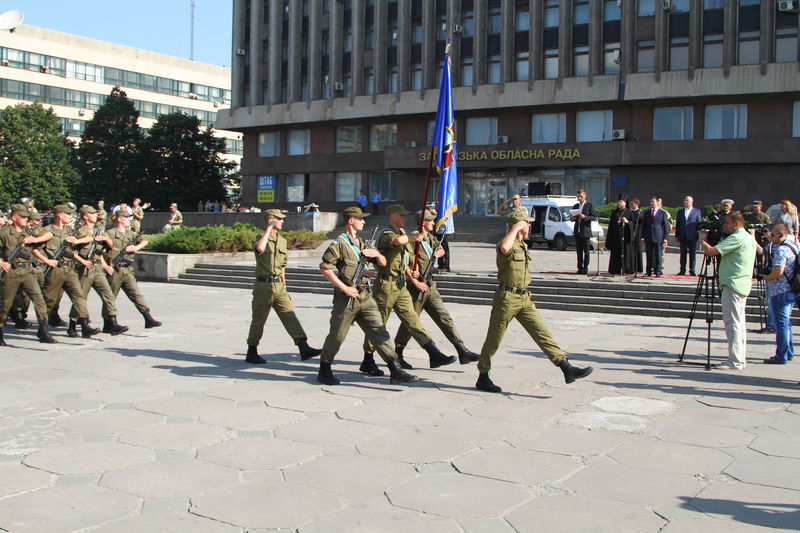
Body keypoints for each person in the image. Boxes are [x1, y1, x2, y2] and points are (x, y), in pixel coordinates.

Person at [475, 206, 594, 392]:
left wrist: (519, 232)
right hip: (507, 299)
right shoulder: (508, 243)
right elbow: (505, 248)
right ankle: (483, 375)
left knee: (542, 333)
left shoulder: (523, 244)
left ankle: (566, 367)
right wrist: (514, 229)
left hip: (524, 298)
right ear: (517, 224)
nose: (529, 226)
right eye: (526, 223)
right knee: (494, 339)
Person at [316, 206, 418, 386]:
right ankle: (324, 369)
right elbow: (325, 269)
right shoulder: (339, 243)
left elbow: (384, 263)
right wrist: (344, 288)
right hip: (347, 297)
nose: (363, 221)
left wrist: (377, 254)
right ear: (351, 221)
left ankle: (395, 370)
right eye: (360, 218)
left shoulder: (363, 243)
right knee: (337, 336)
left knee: (379, 331)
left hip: (365, 295)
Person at [361, 204, 456, 373]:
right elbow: (397, 242)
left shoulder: (403, 233)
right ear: (392, 216)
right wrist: (414, 238)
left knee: (413, 319)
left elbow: (403, 257)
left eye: (405, 215)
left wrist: (411, 270)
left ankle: (433, 352)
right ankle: (368, 358)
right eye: (401, 215)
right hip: (385, 285)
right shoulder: (386, 233)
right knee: (379, 323)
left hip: (400, 284)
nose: (405, 218)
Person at [394, 209, 479, 365]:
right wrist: (415, 281)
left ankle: (462, 350)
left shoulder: (430, 237)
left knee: (444, 317)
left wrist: (439, 253)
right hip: (416, 287)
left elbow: (440, 249)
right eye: (430, 220)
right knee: (410, 323)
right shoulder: (413, 238)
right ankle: (398, 352)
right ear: (422, 222)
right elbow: (405, 260)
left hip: (430, 285)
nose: (433, 222)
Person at [245, 209, 322, 364]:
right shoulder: (260, 238)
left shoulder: (283, 241)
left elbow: (283, 266)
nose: (282, 221)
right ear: (270, 220)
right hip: (263, 286)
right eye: (279, 219)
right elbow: (260, 249)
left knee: (289, 314)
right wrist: (268, 229)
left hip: (279, 286)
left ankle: (303, 347)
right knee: (259, 320)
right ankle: (251, 351)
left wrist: (284, 286)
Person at [699, 211, 757, 370]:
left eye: (727, 223)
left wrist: (703, 240)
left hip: (733, 283)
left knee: (732, 323)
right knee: (738, 323)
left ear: (736, 224)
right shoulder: (747, 236)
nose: (725, 226)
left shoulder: (737, 237)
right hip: (740, 283)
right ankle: (739, 358)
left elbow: (711, 252)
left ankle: (735, 360)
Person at [31, 204, 99, 339]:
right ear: (60, 215)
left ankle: (85, 326)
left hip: (70, 269)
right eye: (67, 214)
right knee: (49, 301)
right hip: (55, 269)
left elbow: (90, 238)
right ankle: (42, 327)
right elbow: (33, 248)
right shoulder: (46, 230)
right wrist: (47, 260)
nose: (70, 217)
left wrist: (76, 240)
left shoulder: (71, 230)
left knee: (79, 296)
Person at [67, 205, 128, 336]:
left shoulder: (99, 230)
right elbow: (71, 251)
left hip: (97, 267)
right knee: (81, 298)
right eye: (92, 213)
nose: (95, 215)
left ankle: (112, 323)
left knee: (108, 294)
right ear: (85, 216)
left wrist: (105, 242)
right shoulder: (79, 231)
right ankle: (74, 325)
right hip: (84, 267)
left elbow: (109, 247)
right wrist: (83, 261)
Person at [0, 204, 55, 345]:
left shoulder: (29, 231)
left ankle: (43, 330)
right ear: (14, 217)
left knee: (39, 299)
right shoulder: (4, 232)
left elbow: (49, 234)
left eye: (26, 217)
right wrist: (1, 263)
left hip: (28, 271)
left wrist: (35, 240)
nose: (26, 219)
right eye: (23, 217)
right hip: (11, 271)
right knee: (5, 304)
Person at [102, 206, 162, 330]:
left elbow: (144, 241)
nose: (130, 220)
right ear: (119, 219)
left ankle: (148, 318)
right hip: (114, 270)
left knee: (136, 294)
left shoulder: (131, 233)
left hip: (127, 269)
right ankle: (110, 322)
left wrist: (135, 248)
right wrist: (106, 266)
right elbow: (98, 252)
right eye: (127, 218)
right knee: (110, 297)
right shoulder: (109, 233)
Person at [757, 224, 797, 364]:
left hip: (780, 290)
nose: (770, 237)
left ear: (781, 235)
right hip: (791, 288)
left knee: (781, 325)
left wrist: (766, 277)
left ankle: (781, 355)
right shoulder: (793, 246)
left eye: (773, 235)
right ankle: (789, 352)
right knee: (787, 323)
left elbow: (778, 271)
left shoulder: (781, 250)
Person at [641, 197, 670, 277]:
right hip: (648, 236)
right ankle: (648, 271)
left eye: (653, 202)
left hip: (658, 237)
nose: (651, 203)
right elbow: (644, 226)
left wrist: (665, 238)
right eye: (650, 202)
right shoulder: (647, 213)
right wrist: (642, 237)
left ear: (657, 203)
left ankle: (658, 271)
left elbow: (666, 226)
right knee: (649, 255)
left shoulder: (662, 213)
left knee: (658, 255)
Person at [570, 189, 597, 275]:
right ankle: (579, 268)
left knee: (586, 251)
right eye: (578, 196)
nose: (579, 198)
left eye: (580, 196)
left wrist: (584, 217)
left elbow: (594, 217)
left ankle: (585, 268)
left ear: (585, 196)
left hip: (585, 231)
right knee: (579, 251)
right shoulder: (575, 206)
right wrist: (572, 218)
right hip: (577, 231)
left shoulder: (589, 205)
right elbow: (572, 217)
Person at [675, 195, 702, 276]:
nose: (685, 202)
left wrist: (698, 236)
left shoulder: (697, 211)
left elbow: (698, 225)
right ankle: (682, 270)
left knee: (692, 254)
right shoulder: (680, 212)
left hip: (692, 236)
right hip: (682, 236)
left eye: (687, 200)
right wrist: (677, 235)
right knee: (682, 254)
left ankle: (692, 270)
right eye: (684, 200)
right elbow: (678, 224)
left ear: (691, 202)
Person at [606, 195, 632, 275]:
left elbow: (634, 225)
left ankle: (625, 269)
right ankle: (615, 270)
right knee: (615, 255)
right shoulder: (614, 212)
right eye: (618, 201)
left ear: (625, 202)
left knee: (625, 253)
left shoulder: (629, 212)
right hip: (615, 237)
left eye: (621, 202)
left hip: (625, 237)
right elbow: (610, 226)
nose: (619, 203)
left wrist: (627, 222)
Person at [627, 198, 644, 275]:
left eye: (633, 204)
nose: (631, 205)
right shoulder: (630, 212)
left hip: (638, 233)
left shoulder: (640, 212)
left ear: (637, 204)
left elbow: (642, 222)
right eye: (631, 204)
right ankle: (632, 267)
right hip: (631, 233)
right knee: (632, 251)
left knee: (638, 250)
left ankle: (638, 267)